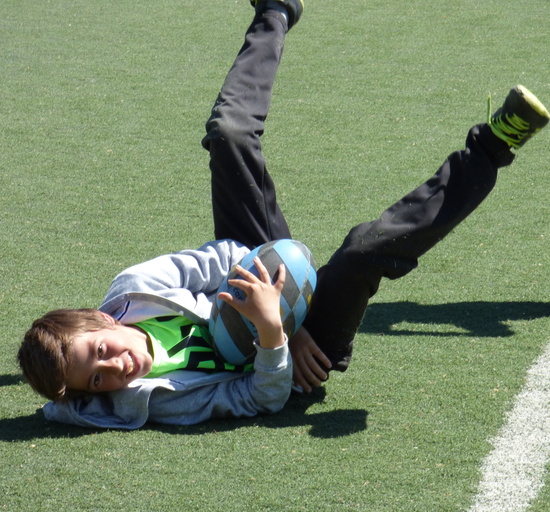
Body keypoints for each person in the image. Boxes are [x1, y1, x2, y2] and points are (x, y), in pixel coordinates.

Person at [17, 0, 549, 429]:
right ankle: (493, 145)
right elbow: (258, 399)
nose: (114, 368)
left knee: (229, 136)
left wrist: (269, 298)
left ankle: (274, 11)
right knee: (366, 251)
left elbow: (219, 256)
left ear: (103, 318)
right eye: (97, 381)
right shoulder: (159, 403)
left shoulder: (135, 287)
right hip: (299, 360)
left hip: (254, 272)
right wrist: (278, 332)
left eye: (101, 351)